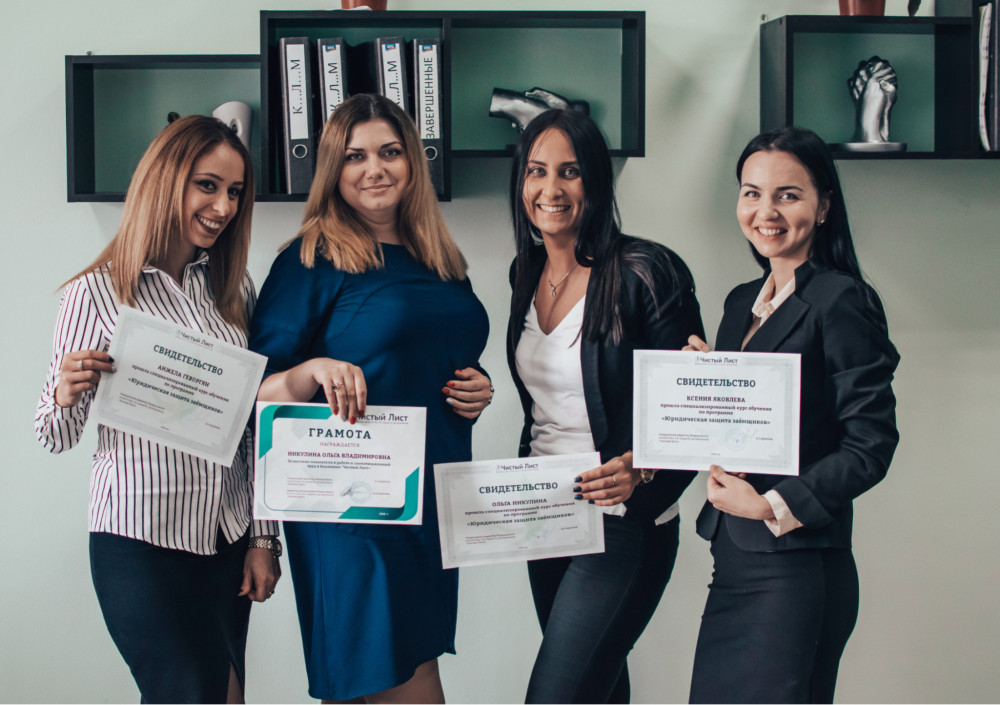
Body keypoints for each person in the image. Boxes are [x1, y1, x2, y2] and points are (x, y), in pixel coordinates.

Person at [249, 93, 491, 704]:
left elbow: (429, 356)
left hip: (429, 497)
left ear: (413, 162)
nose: (374, 169)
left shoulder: (442, 260)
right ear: (333, 170)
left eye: (390, 152)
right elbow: (253, 389)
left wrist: (477, 387)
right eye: (355, 156)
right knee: (376, 672)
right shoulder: (310, 259)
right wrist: (314, 370)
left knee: (417, 660)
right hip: (350, 506)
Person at [34, 115, 281, 704]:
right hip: (139, 538)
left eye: (235, 192)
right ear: (166, 180)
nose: (223, 207)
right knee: (187, 694)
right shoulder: (96, 291)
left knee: (227, 697)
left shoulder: (233, 290)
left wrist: (264, 538)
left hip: (224, 538)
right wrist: (65, 392)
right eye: (207, 186)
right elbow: (53, 434)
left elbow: (254, 427)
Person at [686, 126, 900, 704]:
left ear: (824, 206)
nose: (766, 211)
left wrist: (771, 505)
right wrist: (700, 385)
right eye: (752, 193)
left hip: (797, 569)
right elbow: (750, 427)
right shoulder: (740, 303)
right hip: (734, 557)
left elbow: (871, 443)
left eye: (788, 195)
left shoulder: (841, 299)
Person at [506, 108, 704, 704]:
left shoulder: (647, 270)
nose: (551, 188)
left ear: (595, 180)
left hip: (621, 521)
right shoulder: (526, 271)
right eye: (537, 170)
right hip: (545, 510)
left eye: (570, 171)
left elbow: (697, 409)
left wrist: (642, 466)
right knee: (596, 691)